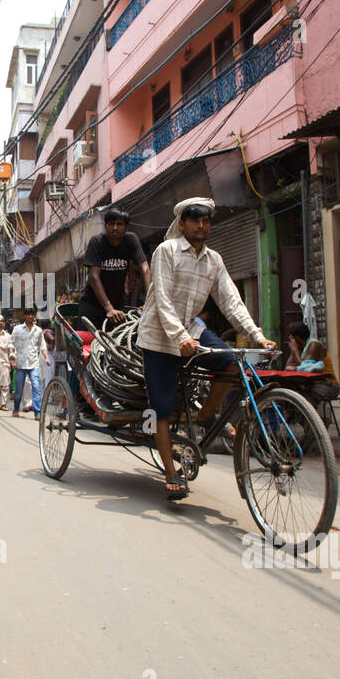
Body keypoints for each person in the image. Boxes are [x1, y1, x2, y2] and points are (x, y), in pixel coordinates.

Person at [138, 197, 276, 499]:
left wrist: (255, 335)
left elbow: (229, 299)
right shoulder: (167, 251)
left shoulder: (214, 259)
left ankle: (205, 417)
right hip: (159, 336)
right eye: (195, 220)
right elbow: (161, 298)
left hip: (192, 330)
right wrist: (179, 337)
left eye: (206, 220)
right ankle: (171, 473)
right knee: (162, 406)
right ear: (182, 223)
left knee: (231, 361)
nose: (202, 225)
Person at [78, 208, 151, 330]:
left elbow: (145, 268)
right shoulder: (97, 242)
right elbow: (94, 277)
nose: (115, 228)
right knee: (88, 344)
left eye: (120, 224)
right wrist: (109, 308)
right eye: (111, 224)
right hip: (93, 304)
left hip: (118, 305)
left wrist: (150, 300)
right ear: (106, 226)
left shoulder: (131, 240)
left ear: (126, 227)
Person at [11, 309, 49, 419]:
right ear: (25, 316)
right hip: (21, 363)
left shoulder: (38, 330)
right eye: (28, 314)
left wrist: (47, 358)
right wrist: (11, 356)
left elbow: (42, 346)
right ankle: (16, 409)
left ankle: (38, 413)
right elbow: (11, 343)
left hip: (34, 363)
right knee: (19, 389)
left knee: (36, 387)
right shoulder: (17, 329)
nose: (30, 316)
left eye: (32, 314)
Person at [0, 315, 14, 410]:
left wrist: (13, 361)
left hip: (4, 362)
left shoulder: (9, 336)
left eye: (1, 321)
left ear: (4, 323)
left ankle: (3, 404)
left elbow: (11, 350)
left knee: (5, 385)